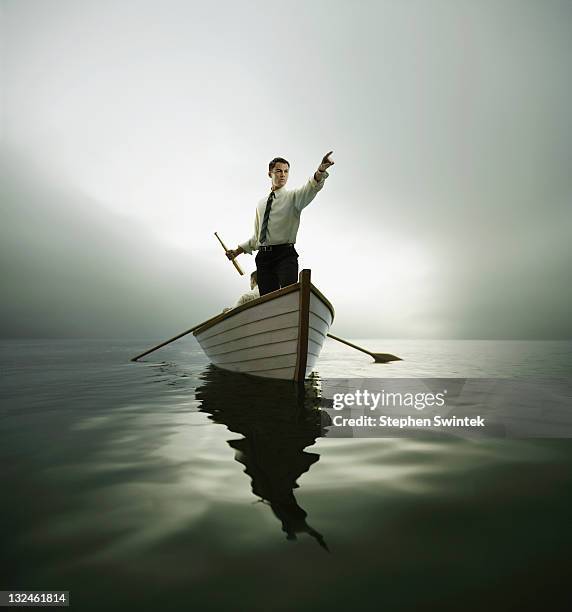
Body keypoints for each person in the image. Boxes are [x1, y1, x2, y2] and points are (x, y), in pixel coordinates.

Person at [225, 151, 334, 296]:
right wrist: (237, 251)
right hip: (263, 259)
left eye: (286, 171)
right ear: (270, 173)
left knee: (289, 296)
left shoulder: (293, 197)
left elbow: (311, 187)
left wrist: (320, 170)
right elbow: (258, 237)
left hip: (285, 255)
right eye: (278, 171)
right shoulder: (261, 204)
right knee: (268, 301)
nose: (283, 174)